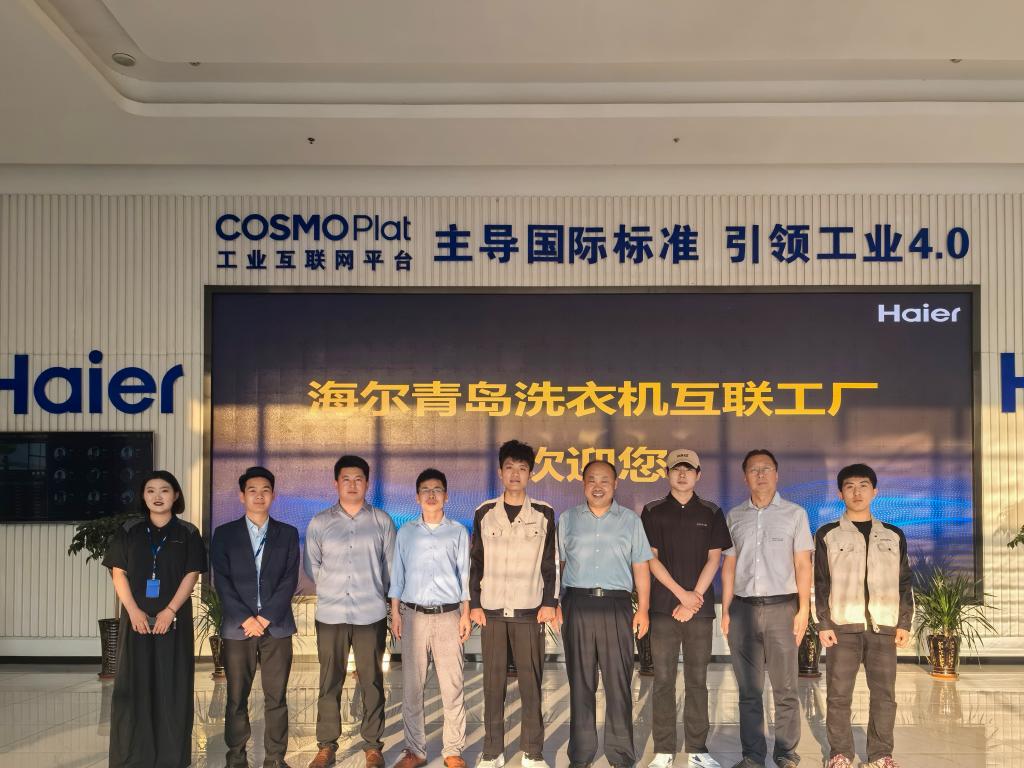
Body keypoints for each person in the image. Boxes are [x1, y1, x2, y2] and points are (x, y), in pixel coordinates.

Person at [103, 470, 207, 768]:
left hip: (173, 621)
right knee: (133, 685)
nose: (157, 496)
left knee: (172, 686)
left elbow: (191, 574)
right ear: (143, 496)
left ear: (176, 496)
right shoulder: (129, 530)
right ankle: (132, 757)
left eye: (164, 490)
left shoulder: (188, 532)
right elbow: (118, 572)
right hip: (135, 621)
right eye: (150, 490)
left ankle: (171, 758)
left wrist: (170, 610)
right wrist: (133, 610)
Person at [815, 464, 913, 768]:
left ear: (875, 491)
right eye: (849, 486)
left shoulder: (893, 535)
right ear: (840, 493)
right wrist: (823, 623)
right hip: (842, 626)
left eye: (863, 485)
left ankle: (881, 755)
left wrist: (904, 622)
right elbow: (820, 582)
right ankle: (840, 753)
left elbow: (905, 582)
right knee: (838, 695)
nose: (856, 492)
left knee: (884, 695)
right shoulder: (828, 534)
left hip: (883, 626)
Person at [558, 459, 654, 768]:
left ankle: (621, 755)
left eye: (604, 480)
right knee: (581, 682)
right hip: (577, 604)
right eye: (592, 480)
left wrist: (644, 609)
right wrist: (555, 602)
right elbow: (559, 565)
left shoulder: (630, 521)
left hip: (617, 606)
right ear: (583, 484)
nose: (597, 486)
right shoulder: (568, 519)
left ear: (615, 484)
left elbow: (641, 566)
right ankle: (581, 755)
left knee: (618, 683)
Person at [720, 449, 813, 768]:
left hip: (782, 609)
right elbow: (729, 566)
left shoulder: (795, 514)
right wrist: (726, 610)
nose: (760, 475)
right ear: (745, 477)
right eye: (754, 470)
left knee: (785, 687)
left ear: (777, 474)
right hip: (743, 610)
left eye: (766, 469)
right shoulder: (734, 517)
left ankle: (786, 753)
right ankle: (752, 755)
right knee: (749, 690)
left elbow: (803, 564)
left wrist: (804, 609)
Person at [469, 440, 559, 768]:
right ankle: (492, 751)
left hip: (529, 610)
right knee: (492, 685)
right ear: (500, 472)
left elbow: (552, 562)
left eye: (522, 468)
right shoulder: (484, 512)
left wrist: (550, 602)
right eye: (510, 468)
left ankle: (532, 752)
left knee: (531, 684)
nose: (516, 474)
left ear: (530, 473)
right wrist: (474, 603)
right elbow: (475, 562)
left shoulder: (544, 513)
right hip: (492, 610)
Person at [304, 456, 397, 768]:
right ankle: (326, 746)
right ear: (336, 483)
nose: (353, 484)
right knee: (329, 681)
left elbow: (390, 566)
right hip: (331, 614)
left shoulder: (382, 521)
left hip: (370, 613)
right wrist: (332, 588)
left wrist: (376, 591)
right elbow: (312, 566)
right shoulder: (320, 522)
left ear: (367, 483)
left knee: (372, 681)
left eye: (359, 479)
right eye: (346, 479)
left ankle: (372, 746)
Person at [643, 449, 732, 768]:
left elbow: (714, 558)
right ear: (667, 473)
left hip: (699, 610)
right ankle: (663, 749)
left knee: (697, 680)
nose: (682, 475)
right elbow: (650, 558)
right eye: (676, 469)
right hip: (664, 609)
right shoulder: (653, 511)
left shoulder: (711, 511)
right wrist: (682, 595)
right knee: (663, 680)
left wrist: (694, 598)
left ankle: (697, 747)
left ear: (698, 474)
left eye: (688, 469)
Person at [211, 466, 300, 768]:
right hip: (238, 629)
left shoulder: (287, 533)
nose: (259, 496)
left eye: (265, 490)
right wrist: (246, 618)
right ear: (242, 496)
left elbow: (289, 580)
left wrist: (265, 618)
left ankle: (275, 759)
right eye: (252, 490)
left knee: (277, 697)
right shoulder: (225, 534)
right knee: (237, 697)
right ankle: (236, 758)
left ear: (273, 495)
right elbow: (222, 580)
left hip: (277, 627)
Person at [389, 468, 473, 768]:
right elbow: (397, 574)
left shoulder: (458, 531)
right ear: (417, 497)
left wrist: (465, 613)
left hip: (449, 615)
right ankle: (415, 750)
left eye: (437, 489)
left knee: (453, 686)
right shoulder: (406, 532)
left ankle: (453, 750)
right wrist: (395, 612)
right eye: (425, 489)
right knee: (412, 687)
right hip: (413, 616)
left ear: (446, 496)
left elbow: (465, 575)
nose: (431, 494)